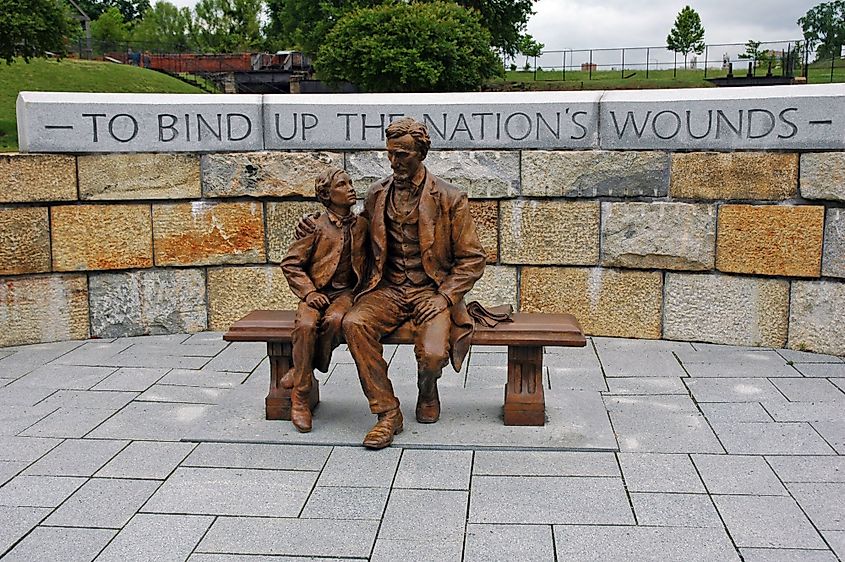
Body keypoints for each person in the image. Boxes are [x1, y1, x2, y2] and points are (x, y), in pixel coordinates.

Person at [341, 117, 486, 449]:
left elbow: (473, 258)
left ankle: (427, 388)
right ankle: (388, 412)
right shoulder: (377, 194)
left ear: (421, 152)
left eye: (403, 155)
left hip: (430, 291)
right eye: (390, 154)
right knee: (354, 322)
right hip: (388, 289)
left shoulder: (450, 197)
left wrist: (444, 297)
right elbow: (357, 233)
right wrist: (318, 225)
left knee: (434, 355)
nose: (394, 162)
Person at [281, 168, 368, 432]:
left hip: (346, 294)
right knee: (306, 326)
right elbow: (291, 264)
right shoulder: (315, 226)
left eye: (351, 183)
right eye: (343, 185)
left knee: (335, 320)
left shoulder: (363, 225)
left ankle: (301, 370)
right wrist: (309, 292)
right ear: (327, 195)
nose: (351, 188)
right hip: (316, 292)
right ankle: (300, 398)